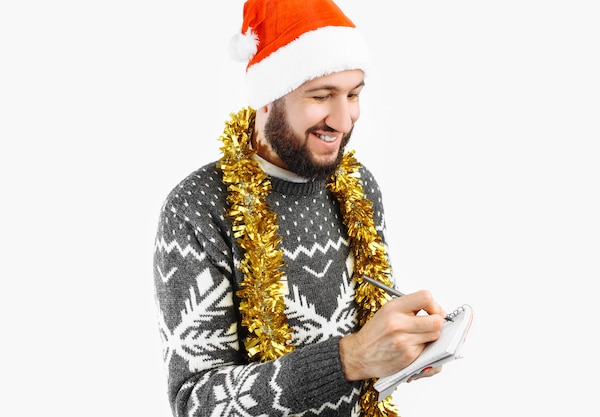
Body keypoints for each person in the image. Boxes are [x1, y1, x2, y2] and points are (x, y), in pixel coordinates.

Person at [153, 1, 447, 416]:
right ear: (269, 98)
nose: (343, 121)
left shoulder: (358, 187)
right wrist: (348, 359)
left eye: (353, 94)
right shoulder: (198, 206)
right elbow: (196, 402)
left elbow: (367, 350)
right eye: (321, 96)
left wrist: (403, 346)